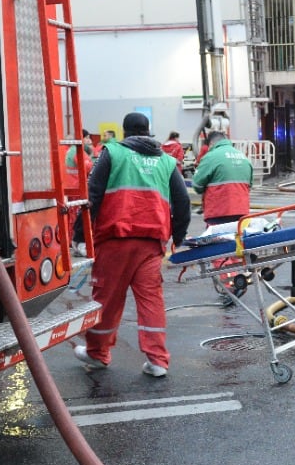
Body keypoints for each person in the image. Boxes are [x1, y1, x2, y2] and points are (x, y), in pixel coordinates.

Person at [74, 112, 190, 378]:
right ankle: (158, 359)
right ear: (148, 131)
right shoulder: (166, 161)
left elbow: (92, 195)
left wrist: (81, 236)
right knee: (151, 300)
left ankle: (97, 354)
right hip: (151, 245)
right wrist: (179, 236)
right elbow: (182, 201)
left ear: (124, 131)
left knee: (107, 299)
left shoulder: (112, 153)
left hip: (115, 240)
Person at [193, 130, 253, 226]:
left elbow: (197, 185)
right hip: (242, 212)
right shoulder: (244, 157)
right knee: (238, 239)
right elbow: (249, 185)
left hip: (218, 213)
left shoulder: (210, 157)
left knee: (218, 240)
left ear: (211, 143)